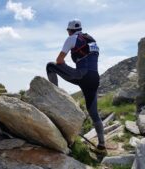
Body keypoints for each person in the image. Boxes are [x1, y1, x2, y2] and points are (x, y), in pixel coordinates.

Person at [46, 19, 106, 153]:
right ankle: (102, 145)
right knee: (93, 113)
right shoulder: (91, 39)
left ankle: (54, 93)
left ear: (69, 30)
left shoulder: (71, 39)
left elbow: (59, 60)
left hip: (81, 76)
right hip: (94, 78)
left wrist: (66, 66)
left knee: (50, 66)